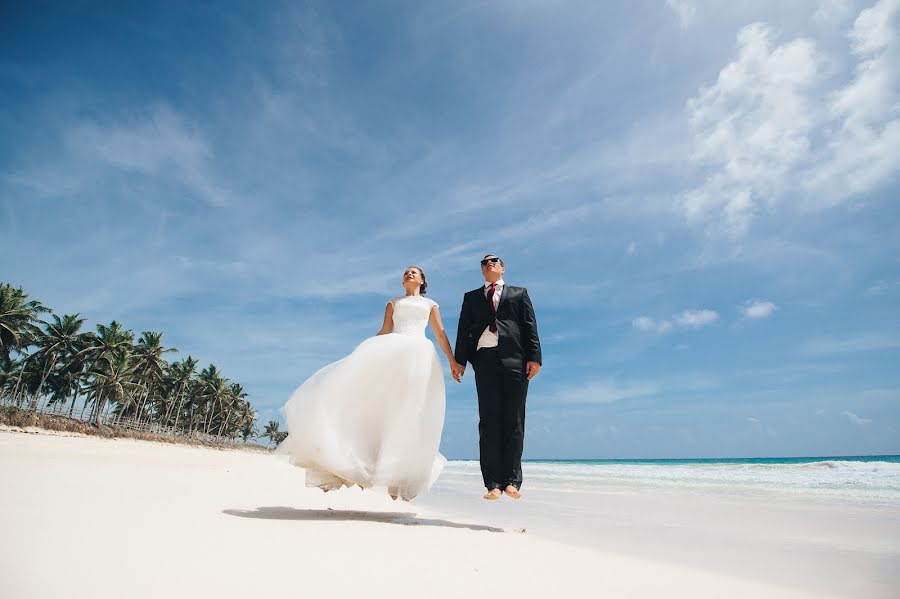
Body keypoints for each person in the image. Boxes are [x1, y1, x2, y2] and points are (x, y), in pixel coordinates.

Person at [278, 266, 463, 501]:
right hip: (393, 353)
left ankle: (399, 478)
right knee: (383, 410)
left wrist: (453, 361)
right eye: (406, 272)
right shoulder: (393, 303)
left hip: (420, 357)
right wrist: (362, 355)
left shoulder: (430, 305)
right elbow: (385, 331)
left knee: (410, 413)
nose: (409, 274)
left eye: (414, 272)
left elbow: (440, 334)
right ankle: (372, 468)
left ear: (422, 280)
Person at [454, 254, 542, 500]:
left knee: (514, 420)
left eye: (494, 261)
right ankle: (492, 483)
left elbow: (529, 325)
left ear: (503, 268)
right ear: (482, 271)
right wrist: (460, 361)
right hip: (484, 361)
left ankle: (512, 481)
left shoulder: (519, 293)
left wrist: (534, 357)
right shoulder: (470, 297)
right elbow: (463, 328)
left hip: (516, 360)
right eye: (485, 263)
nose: (489, 264)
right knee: (489, 421)